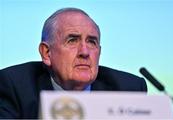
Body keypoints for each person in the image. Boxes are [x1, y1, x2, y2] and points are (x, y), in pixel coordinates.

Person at [0, 7, 147, 119]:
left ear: (99, 52)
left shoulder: (128, 89)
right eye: (72, 40)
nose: (84, 52)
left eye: (91, 42)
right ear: (46, 53)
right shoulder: (14, 86)